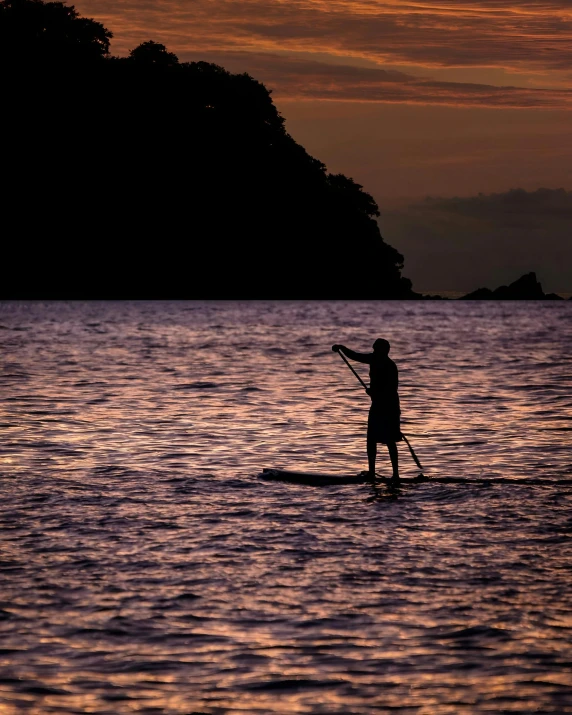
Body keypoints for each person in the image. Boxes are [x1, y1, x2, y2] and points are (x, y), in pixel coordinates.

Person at [332, 339, 402, 480]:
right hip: (377, 405)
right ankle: (371, 472)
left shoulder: (390, 366)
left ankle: (396, 475)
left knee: (389, 440)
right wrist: (341, 348)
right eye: (374, 349)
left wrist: (376, 393)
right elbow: (356, 356)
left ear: (385, 351)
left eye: (377, 350)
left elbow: (391, 389)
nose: (374, 352)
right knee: (371, 439)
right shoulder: (373, 359)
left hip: (389, 406)